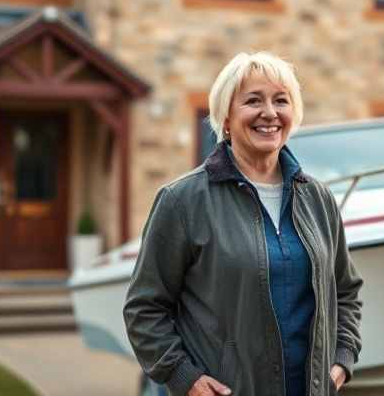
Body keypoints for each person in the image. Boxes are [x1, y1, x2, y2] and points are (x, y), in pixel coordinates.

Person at [124, 52, 363, 396]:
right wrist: (184, 377)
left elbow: (346, 292)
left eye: (281, 101)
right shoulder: (182, 201)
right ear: (225, 118)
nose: (269, 112)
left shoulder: (319, 200)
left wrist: (342, 359)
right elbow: (144, 309)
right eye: (253, 101)